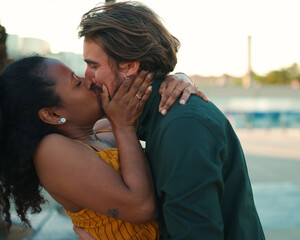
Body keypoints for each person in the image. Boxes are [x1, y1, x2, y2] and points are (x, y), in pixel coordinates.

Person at [77, 2, 265, 239]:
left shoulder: (183, 127)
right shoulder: (149, 116)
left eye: (93, 65)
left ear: (129, 66)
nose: (87, 75)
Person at [0, 56, 204, 240]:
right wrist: (124, 128)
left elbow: (151, 91)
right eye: (77, 83)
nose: (91, 81)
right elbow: (142, 208)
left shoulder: (105, 128)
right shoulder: (51, 150)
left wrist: (179, 78)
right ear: (52, 115)